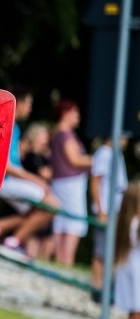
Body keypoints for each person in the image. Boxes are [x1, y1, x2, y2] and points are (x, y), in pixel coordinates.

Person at [0, 88, 58, 263]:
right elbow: (5, 166)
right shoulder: (5, 124)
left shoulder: (15, 127)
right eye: (28, 104)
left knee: (38, 212)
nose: (29, 108)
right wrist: (38, 181)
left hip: (8, 179)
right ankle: (12, 242)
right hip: (1, 180)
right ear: (17, 103)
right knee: (52, 205)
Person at [49, 99, 91, 266]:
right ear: (66, 114)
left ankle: (61, 261)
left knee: (61, 221)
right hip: (71, 184)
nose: (78, 117)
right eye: (75, 113)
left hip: (59, 183)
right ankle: (66, 260)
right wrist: (96, 160)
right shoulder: (66, 135)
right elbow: (74, 160)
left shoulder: (55, 133)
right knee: (74, 222)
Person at [90, 134, 129, 299]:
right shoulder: (104, 154)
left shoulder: (116, 154)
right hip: (106, 208)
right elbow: (95, 182)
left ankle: (106, 287)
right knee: (102, 249)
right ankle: (97, 286)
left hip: (116, 208)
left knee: (112, 249)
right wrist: (100, 210)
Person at [112, 181, 140, 319]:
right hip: (137, 268)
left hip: (128, 266)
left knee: (134, 307)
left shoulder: (124, 221)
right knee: (138, 308)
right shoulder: (137, 223)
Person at [20, 122, 55, 259]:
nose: (46, 138)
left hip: (40, 195)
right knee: (33, 230)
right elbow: (46, 174)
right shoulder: (31, 156)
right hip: (33, 197)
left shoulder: (42, 156)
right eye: (43, 135)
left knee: (44, 232)